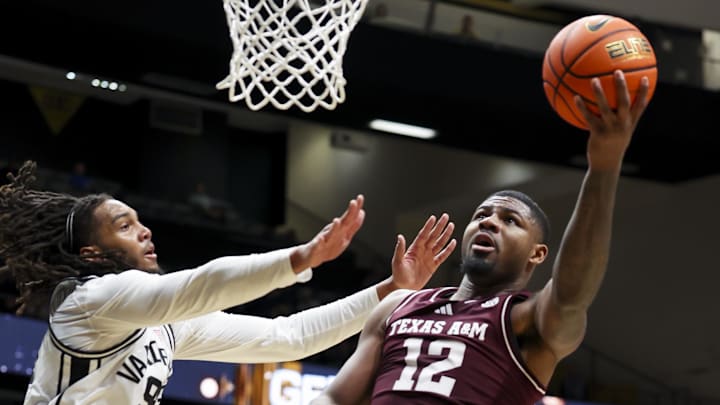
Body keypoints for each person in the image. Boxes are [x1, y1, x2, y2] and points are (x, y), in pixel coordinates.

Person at [311, 70, 650, 405]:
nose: (489, 223)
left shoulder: (525, 319)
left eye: (510, 220)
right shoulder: (398, 306)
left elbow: (572, 293)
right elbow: (335, 398)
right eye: (481, 216)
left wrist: (603, 167)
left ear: (537, 253)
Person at [0, 161, 457, 405]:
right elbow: (203, 283)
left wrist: (390, 290)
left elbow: (287, 336)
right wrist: (302, 257)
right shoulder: (89, 301)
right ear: (92, 254)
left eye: (140, 221)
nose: (145, 230)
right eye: (124, 225)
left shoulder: (165, 325)